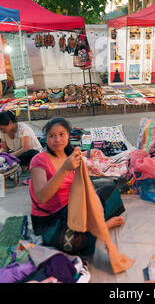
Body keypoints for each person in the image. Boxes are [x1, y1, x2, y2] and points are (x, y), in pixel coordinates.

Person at [29, 117, 124, 258]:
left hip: (72, 209)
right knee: (71, 242)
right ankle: (102, 227)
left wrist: (92, 205)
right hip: (50, 220)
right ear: (46, 138)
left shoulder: (71, 155)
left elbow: (84, 186)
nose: (57, 139)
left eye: (61, 134)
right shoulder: (39, 160)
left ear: (68, 135)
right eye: (52, 136)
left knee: (111, 192)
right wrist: (64, 170)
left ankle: (94, 225)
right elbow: (41, 197)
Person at [0, 110, 42, 183]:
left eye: (2, 128)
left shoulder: (23, 129)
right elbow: (5, 148)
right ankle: (20, 166)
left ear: (10, 123)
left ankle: (22, 166)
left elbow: (26, 148)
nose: (1, 131)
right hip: (17, 154)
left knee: (31, 154)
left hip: (31, 153)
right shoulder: (3, 132)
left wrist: (9, 156)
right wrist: (2, 156)